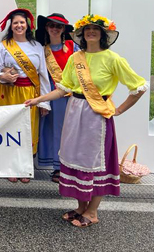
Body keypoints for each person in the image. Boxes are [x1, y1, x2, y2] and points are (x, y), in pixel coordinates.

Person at [25, 14, 147, 228]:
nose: (91, 32)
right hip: (75, 112)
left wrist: (119, 109)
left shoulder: (113, 59)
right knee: (75, 158)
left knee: (94, 163)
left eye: (96, 30)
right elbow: (63, 88)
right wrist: (39, 99)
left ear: (103, 34)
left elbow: (138, 87)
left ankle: (92, 211)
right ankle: (81, 207)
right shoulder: (75, 58)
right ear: (81, 34)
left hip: (97, 116)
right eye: (87, 30)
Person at [0, 8, 51, 183]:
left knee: (28, 129)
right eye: (16, 23)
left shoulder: (36, 47)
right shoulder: (3, 46)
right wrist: (3, 76)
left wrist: (44, 102)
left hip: (30, 94)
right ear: (11, 26)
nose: (19, 25)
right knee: (10, 128)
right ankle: (10, 166)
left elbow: (43, 75)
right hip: (9, 92)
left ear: (28, 25)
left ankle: (25, 167)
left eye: (22, 23)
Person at [35, 13, 78, 183]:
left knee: (73, 130)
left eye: (58, 26)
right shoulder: (41, 49)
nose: (54, 29)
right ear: (46, 27)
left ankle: (73, 166)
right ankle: (58, 168)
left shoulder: (73, 46)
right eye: (51, 25)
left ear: (63, 29)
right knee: (55, 130)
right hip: (53, 93)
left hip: (72, 94)